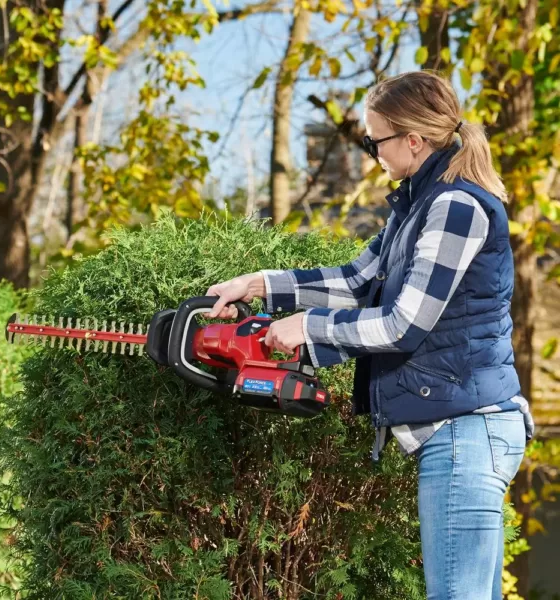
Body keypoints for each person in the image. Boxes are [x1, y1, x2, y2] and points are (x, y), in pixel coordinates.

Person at [204, 71, 534, 599]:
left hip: (466, 430)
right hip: (459, 429)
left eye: (372, 139)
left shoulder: (454, 206)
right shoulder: (416, 206)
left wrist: (305, 330)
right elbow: (355, 281)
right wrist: (259, 285)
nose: (369, 151)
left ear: (412, 140)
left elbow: (404, 324)